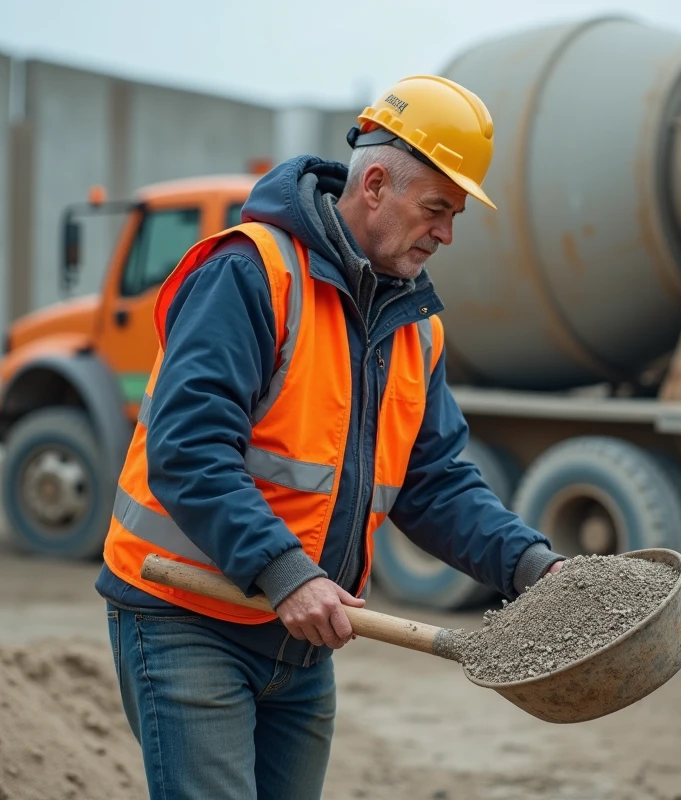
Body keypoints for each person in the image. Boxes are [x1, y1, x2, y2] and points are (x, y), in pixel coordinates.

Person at [94, 74, 566, 800]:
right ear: (375, 185)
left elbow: (435, 484)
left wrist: (535, 568)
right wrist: (286, 571)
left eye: (455, 215)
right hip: (188, 620)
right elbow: (189, 448)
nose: (446, 233)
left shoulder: (415, 330)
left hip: (303, 640)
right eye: (436, 208)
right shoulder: (250, 273)